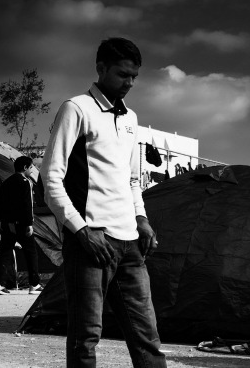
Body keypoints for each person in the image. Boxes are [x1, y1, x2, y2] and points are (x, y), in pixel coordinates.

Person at [41, 37, 166, 367]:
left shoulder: (130, 118)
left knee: (147, 338)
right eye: (123, 75)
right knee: (86, 339)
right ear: (100, 68)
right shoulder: (77, 108)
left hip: (130, 246)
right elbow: (50, 179)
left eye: (134, 77)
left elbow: (132, 179)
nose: (129, 83)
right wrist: (81, 231)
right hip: (91, 243)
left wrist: (141, 219)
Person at [0, 156, 41, 295]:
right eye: (31, 167)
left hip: (6, 223)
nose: (32, 170)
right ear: (25, 167)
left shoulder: (6, 182)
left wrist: (0, 220)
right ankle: (34, 284)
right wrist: (29, 224)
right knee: (31, 253)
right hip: (21, 224)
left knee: (5, 252)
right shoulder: (26, 182)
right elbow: (27, 205)